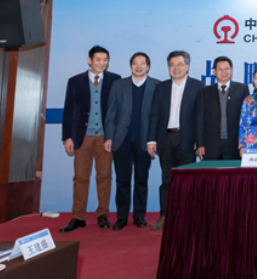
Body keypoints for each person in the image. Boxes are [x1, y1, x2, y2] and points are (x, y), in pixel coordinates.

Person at [60, 45, 121, 233]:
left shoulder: (115, 80)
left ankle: (103, 214)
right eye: (98, 59)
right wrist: (67, 137)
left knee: (105, 177)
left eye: (105, 60)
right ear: (89, 60)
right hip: (82, 137)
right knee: (80, 177)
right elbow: (69, 110)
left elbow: (118, 110)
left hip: (105, 138)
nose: (102, 63)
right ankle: (78, 217)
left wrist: (115, 134)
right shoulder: (75, 81)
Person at [147, 50, 204, 230]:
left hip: (187, 139)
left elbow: (200, 116)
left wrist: (199, 140)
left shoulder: (197, 86)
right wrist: (151, 140)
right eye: (172, 65)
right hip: (165, 138)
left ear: (187, 66)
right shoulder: (161, 87)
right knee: (167, 179)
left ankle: (186, 217)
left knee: (187, 181)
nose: (176, 68)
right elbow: (154, 114)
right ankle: (164, 215)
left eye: (180, 64)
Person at [103, 52, 160, 231]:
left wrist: (154, 138)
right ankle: (121, 217)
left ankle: (139, 216)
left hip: (145, 140)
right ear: (130, 66)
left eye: (142, 63)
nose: (138, 66)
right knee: (122, 180)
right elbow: (111, 113)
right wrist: (109, 137)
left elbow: (158, 116)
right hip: (122, 140)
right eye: (135, 63)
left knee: (141, 179)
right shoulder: (118, 85)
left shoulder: (157, 86)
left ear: (148, 66)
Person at [195, 56, 250, 160]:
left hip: (235, 144)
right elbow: (200, 120)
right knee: (211, 171)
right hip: (211, 144)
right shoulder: (205, 92)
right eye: (220, 69)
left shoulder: (242, 89)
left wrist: (245, 143)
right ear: (214, 72)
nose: (224, 72)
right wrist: (200, 144)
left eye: (226, 69)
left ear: (231, 70)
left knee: (233, 171)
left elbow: (247, 118)